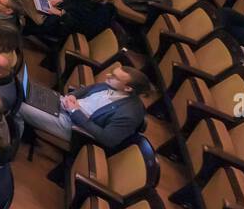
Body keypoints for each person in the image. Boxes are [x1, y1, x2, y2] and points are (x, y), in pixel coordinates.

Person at [17, 63, 148, 150]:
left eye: (114, 77)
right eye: (112, 73)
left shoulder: (130, 114)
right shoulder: (112, 84)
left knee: (18, 107)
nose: (108, 76)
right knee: (24, 89)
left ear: (128, 88)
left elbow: (108, 139)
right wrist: (73, 96)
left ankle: (12, 143)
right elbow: (88, 89)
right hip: (66, 105)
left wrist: (75, 111)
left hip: (74, 126)